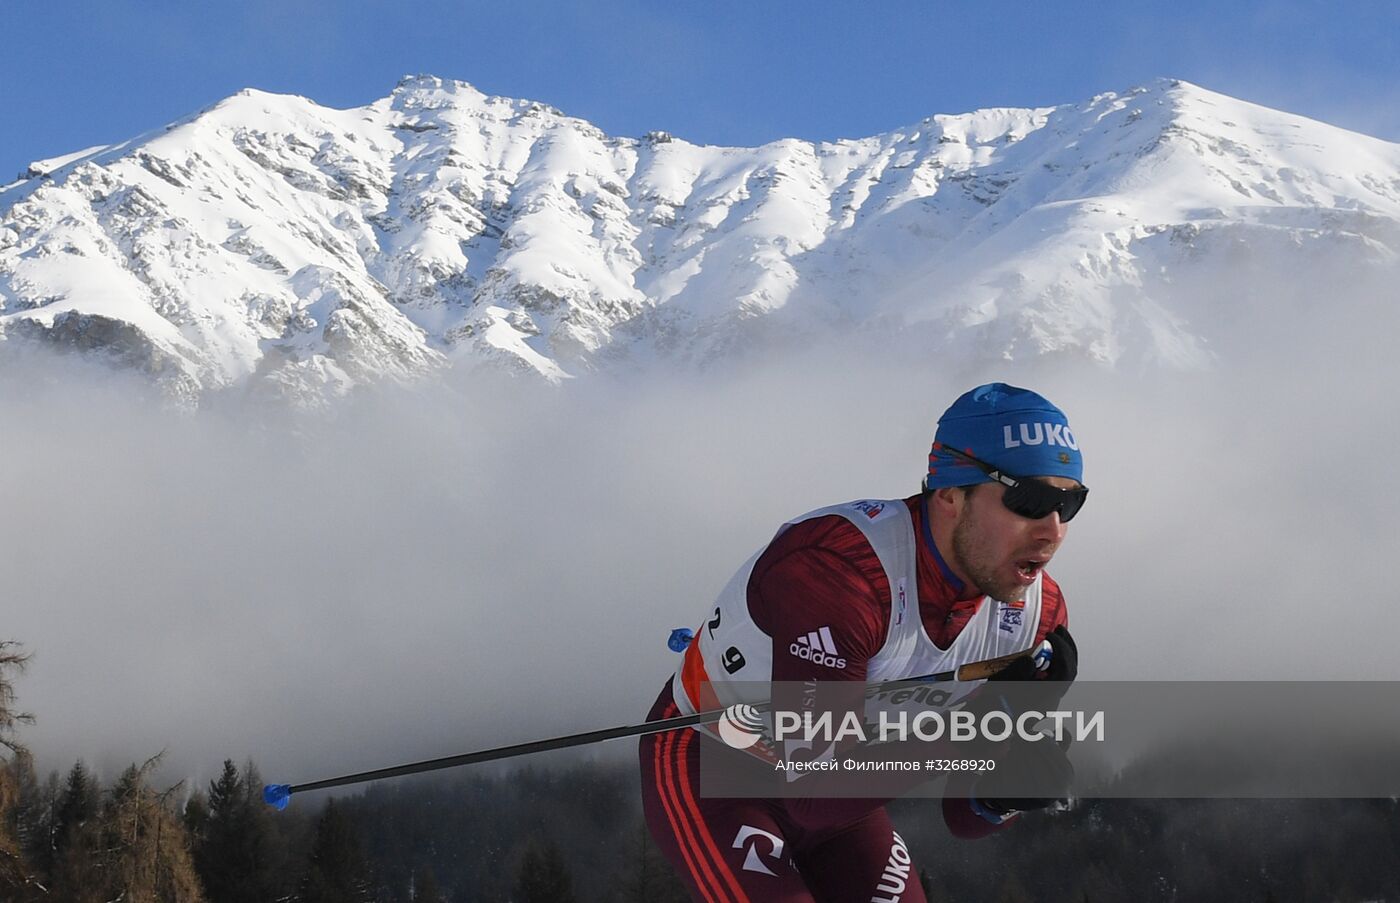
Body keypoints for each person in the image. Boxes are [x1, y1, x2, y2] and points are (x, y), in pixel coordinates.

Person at [639, 383, 1086, 902]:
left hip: (841, 800)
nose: (1052, 530)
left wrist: (1008, 787)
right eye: (1029, 500)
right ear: (949, 496)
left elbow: (963, 820)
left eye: (1070, 504)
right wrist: (975, 729)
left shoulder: (1035, 616)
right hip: (716, 766)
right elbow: (812, 791)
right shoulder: (841, 574)